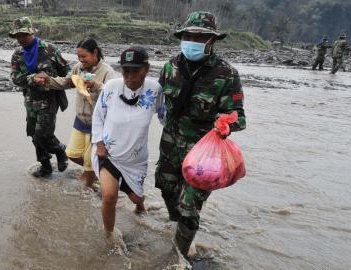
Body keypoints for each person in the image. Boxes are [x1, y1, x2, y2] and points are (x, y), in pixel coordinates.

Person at [155, 11, 246, 264]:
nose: (192, 40)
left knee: (189, 207)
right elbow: (158, 102)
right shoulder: (170, 67)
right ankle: (179, 227)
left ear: (212, 41)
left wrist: (226, 124)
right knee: (166, 188)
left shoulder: (226, 74)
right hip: (170, 145)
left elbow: (239, 116)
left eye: (200, 36)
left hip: (203, 156)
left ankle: (178, 257)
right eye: (188, 35)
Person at [92, 47, 165, 242]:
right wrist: (99, 144)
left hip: (135, 158)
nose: (130, 76)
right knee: (109, 196)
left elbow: (166, 118)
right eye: (126, 71)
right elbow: (98, 117)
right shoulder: (111, 87)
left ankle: (140, 204)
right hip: (108, 152)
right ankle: (109, 236)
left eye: (136, 71)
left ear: (147, 68)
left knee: (136, 198)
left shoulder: (155, 90)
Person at [37, 38, 116, 189]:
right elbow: (66, 82)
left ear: (95, 53)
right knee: (71, 153)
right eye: (78, 57)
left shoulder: (107, 71)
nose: (81, 60)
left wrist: (96, 85)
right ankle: (97, 170)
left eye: (84, 56)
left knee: (88, 159)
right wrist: (48, 80)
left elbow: (113, 94)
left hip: (98, 123)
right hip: (80, 119)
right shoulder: (78, 68)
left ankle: (88, 188)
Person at [10, 17, 70, 177]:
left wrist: (63, 81)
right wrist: (32, 78)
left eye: (23, 35)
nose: (20, 39)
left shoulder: (49, 50)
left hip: (49, 100)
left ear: (31, 32)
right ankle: (45, 166)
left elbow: (66, 70)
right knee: (33, 133)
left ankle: (61, 151)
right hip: (30, 100)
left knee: (43, 134)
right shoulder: (17, 55)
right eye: (18, 36)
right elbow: (15, 78)